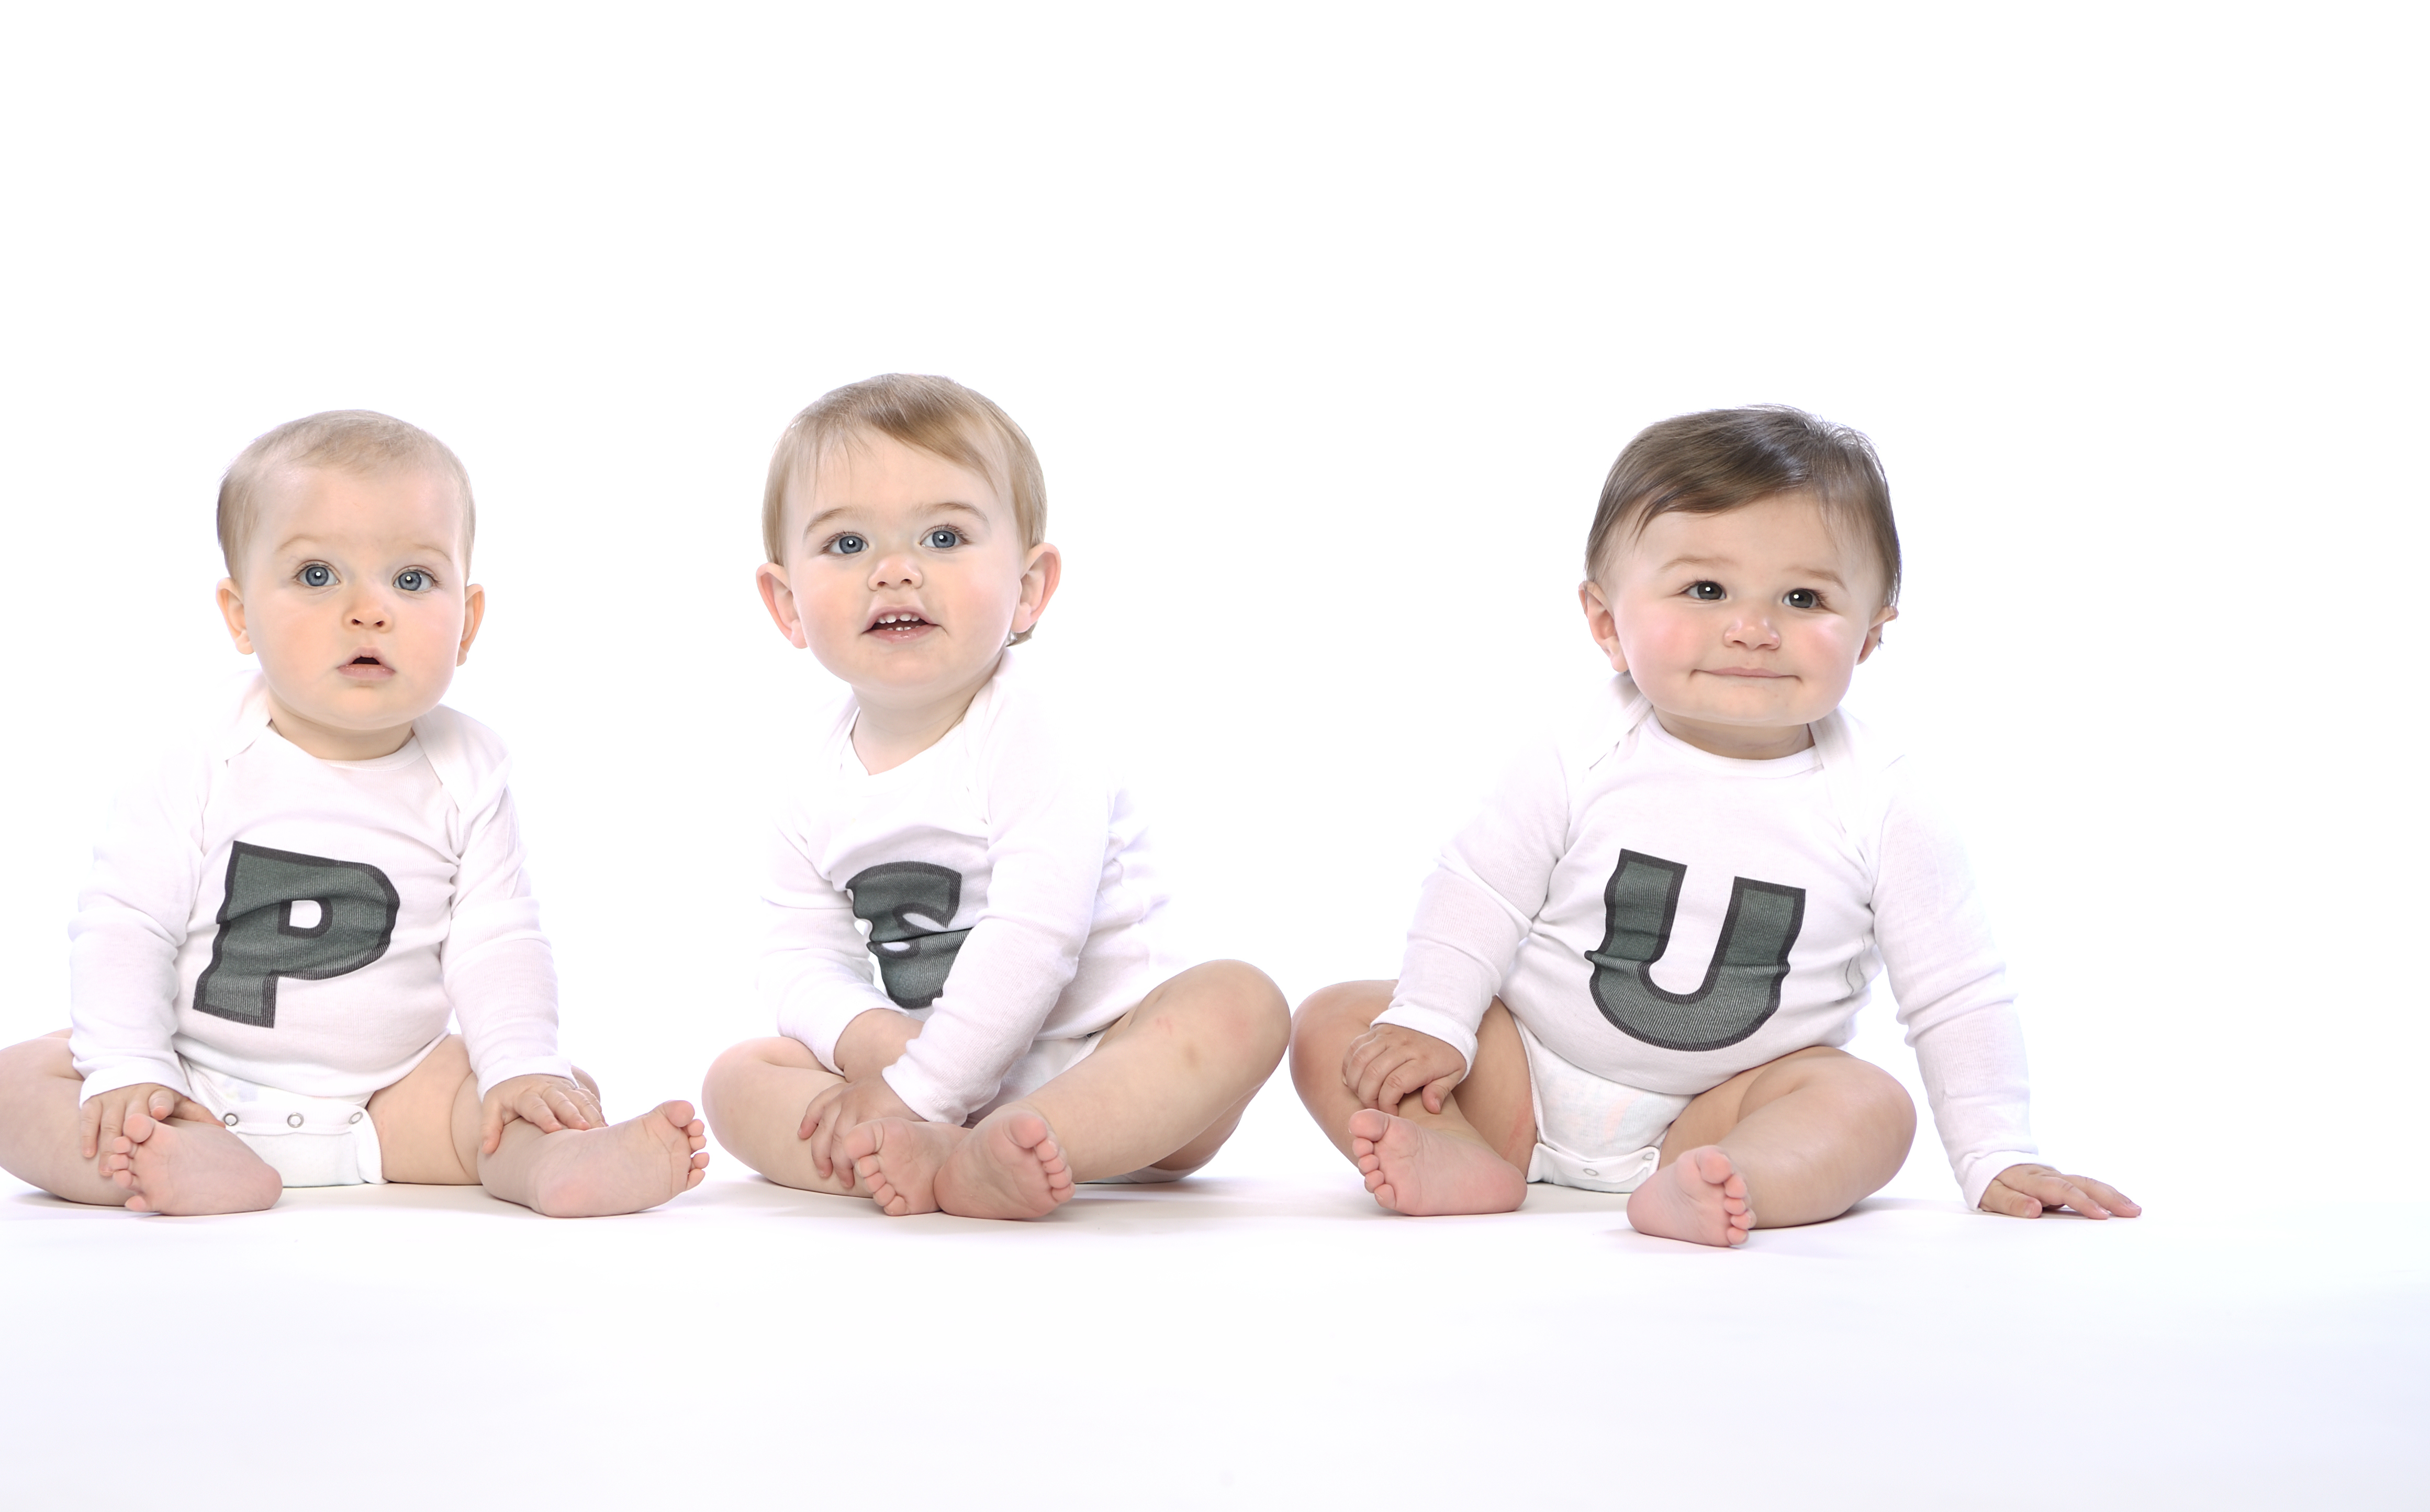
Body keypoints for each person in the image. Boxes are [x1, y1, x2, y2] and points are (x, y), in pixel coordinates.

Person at [1289, 405, 2137, 1245]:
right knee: (1339, 1020)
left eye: (1803, 597)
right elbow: (1480, 890)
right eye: (1706, 590)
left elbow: (1956, 991)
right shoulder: (1578, 750)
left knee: (1869, 1105)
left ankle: (1737, 1179)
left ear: (1869, 638)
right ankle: (1458, 1149)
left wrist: (1997, 1153)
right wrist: (1434, 1022)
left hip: (1722, 1110)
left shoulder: (1883, 801)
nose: (1753, 629)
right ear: (1606, 623)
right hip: (1521, 1076)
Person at [0, 410, 707, 1216]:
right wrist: (132, 1070)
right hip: (192, 1084)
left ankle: (553, 1166)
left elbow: (498, 940)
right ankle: (173, 1152)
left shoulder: (468, 771)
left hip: (391, 1100)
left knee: (539, 1088)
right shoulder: (201, 753)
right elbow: (127, 923)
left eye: (412, 580)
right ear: (240, 614)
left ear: (468, 623)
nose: (368, 610)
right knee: (12, 1083)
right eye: (317, 575)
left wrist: (521, 1064)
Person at [701, 374, 1289, 1219]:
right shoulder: (807, 774)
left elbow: (1036, 931)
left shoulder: (1034, 724)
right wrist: (879, 1046)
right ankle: (933, 1155)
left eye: (943, 537)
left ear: (1029, 587)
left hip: (1107, 1060)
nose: (895, 571)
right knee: (738, 1080)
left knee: (1239, 1005)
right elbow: (799, 956)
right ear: (787, 604)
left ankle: (1007, 1140)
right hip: (923, 1062)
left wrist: (921, 1091)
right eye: (847, 544)